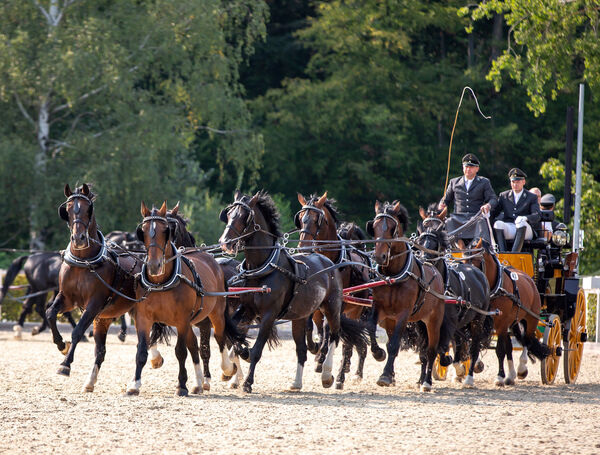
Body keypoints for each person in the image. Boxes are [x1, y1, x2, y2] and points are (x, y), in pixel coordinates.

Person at [438, 153, 498, 246]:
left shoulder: (484, 182)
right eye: (466, 167)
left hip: (475, 217)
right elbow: (446, 199)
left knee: (481, 222)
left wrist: (488, 205)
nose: (468, 169)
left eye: (471, 167)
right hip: (457, 218)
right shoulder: (454, 182)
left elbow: (493, 199)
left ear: (477, 169)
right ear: (463, 167)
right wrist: (442, 204)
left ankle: (476, 247)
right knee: (448, 221)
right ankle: (455, 245)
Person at [491, 168, 541, 252]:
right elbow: (495, 212)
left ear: (523, 182)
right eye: (513, 182)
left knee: (520, 222)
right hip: (510, 226)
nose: (515, 184)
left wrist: (525, 218)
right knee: (498, 224)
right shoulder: (504, 196)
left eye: (518, 182)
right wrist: (487, 211)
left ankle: (514, 255)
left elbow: (537, 215)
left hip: (525, 228)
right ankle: (502, 254)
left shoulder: (531, 197)